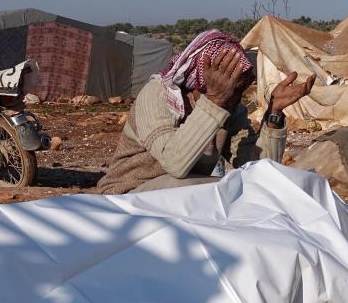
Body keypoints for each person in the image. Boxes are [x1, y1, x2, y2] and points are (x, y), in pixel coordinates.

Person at [97, 30, 314, 194]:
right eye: (230, 85)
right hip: (128, 193)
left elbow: (257, 167)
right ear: (201, 81)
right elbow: (175, 164)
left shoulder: (229, 107)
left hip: (180, 192)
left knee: (260, 189)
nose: (235, 95)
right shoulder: (158, 94)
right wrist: (215, 101)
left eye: (238, 86)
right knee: (220, 191)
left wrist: (274, 113)